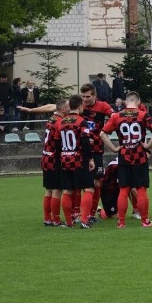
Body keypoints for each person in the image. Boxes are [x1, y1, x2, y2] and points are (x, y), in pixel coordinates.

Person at [100, 91, 152, 228]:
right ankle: (145, 221)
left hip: (123, 156)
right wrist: (148, 146)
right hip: (139, 156)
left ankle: (121, 222)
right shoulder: (143, 114)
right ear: (138, 102)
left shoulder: (116, 116)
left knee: (123, 189)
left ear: (126, 102)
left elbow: (102, 133)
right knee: (141, 189)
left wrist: (114, 149)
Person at [55, 94, 95, 229]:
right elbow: (85, 141)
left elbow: (56, 142)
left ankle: (69, 222)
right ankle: (84, 221)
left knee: (68, 190)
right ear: (80, 106)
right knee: (88, 188)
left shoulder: (61, 121)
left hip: (65, 159)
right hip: (79, 160)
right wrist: (90, 158)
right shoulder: (81, 121)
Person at [79, 83, 115, 223]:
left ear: (95, 96)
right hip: (81, 150)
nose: (85, 99)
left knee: (97, 182)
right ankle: (80, 214)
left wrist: (105, 130)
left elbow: (114, 117)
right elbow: (56, 108)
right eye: (83, 96)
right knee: (82, 183)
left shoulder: (103, 106)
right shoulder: (79, 106)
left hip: (97, 150)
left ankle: (92, 214)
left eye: (88, 96)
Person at [40, 98, 69, 227]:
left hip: (46, 157)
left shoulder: (51, 119)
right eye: (68, 107)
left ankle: (47, 218)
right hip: (54, 158)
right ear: (63, 109)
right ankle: (56, 220)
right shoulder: (59, 122)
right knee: (57, 190)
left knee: (49, 189)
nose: (70, 109)